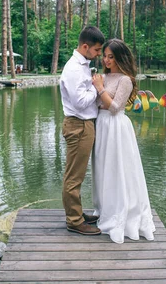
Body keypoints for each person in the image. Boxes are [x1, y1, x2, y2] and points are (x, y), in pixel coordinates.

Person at [91, 39, 156, 244]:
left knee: (118, 169)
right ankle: (104, 208)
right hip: (100, 125)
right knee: (102, 169)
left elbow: (116, 107)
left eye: (111, 56)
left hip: (116, 127)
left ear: (120, 57)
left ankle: (122, 213)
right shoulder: (103, 76)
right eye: (105, 55)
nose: (106, 60)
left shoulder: (125, 80)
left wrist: (100, 88)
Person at [59, 26, 105, 235]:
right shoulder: (74, 69)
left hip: (83, 125)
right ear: (85, 46)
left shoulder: (83, 66)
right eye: (96, 50)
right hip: (78, 125)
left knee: (78, 173)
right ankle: (74, 220)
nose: (98, 55)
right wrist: (96, 89)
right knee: (74, 176)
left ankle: (77, 212)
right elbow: (79, 103)